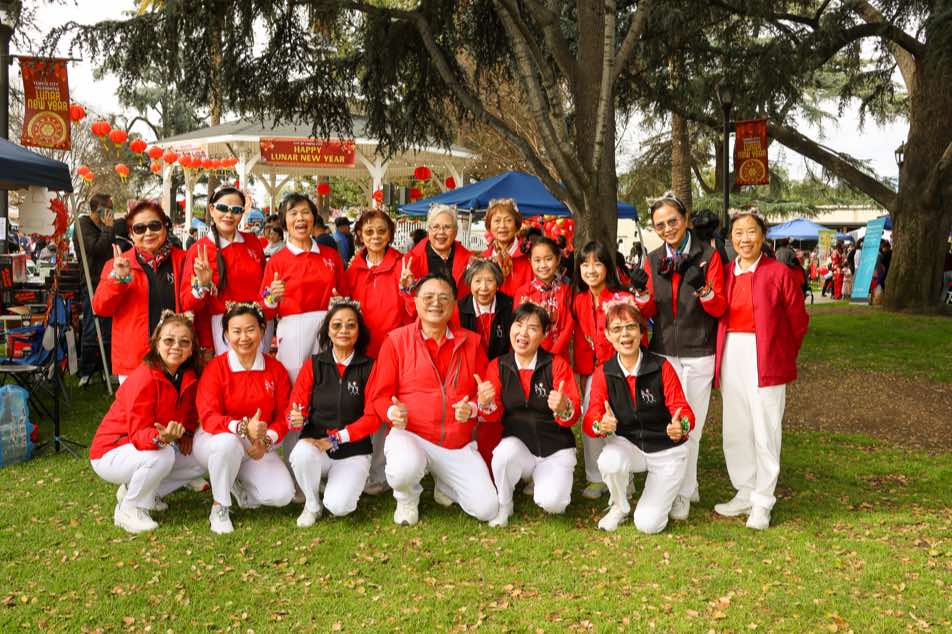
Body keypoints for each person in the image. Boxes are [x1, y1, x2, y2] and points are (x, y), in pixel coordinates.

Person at [366, 273, 496, 526]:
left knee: (488, 509)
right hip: (412, 434)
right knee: (403, 470)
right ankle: (407, 498)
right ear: (415, 301)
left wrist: (473, 407)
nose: (436, 303)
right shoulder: (396, 341)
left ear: (454, 304)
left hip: (456, 442)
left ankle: (444, 484)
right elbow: (379, 396)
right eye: (428, 297)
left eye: (443, 298)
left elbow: (483, 396)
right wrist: (393, 412)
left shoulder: (471, 342)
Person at [631, 191, 726, 520]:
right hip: (663, 352)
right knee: (668, 422)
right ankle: (685, 486)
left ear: (685, 219)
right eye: (660, 225)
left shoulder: (708, 255)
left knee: (689, 426)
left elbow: (719, 307)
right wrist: (639, 292)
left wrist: (703, 288)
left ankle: (683, 493)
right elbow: (647, 312)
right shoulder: (652, 258)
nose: (667, 228)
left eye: (673, 221)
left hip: (698, 351)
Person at [714, 210, 809, 530]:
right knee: (736, 427)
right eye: (738, 233)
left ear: (763, 236)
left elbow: (798, 320)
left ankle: (763, 501)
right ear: (731, 238)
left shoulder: (778, 272)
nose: (745, 239)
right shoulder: (725, 272)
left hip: (766, 356)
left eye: (751, 231)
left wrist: (782, 353)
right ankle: (744, 490)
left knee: (765, 430)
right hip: (732, 352)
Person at [583, 300, 695, 534]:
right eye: (616, 328)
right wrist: (601, 424)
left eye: (631, 327)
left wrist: (681, 426)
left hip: (665, 450)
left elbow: (683, 410)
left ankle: (669, 491)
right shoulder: (604, 372)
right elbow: (591, 416)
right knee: (609, 460)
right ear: (607, 335)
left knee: (647, 524)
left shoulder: (661, 366)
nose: (625, 334)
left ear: (642, 332)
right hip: (630, 444)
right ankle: (619, 506)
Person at [89, 311, 205, 534]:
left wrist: (188, 434)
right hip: (111, 450)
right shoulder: (144, 377)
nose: (176, 347)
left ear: (192, 349)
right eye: (169, 340)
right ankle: (129, 510)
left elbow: (189, 413)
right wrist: (161, 438)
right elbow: (138, 433)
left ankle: (144, 492)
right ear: (157, 343)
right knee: (163, 455)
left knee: (201, 456)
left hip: (146, 445)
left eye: (184, 342)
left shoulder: (188, 375)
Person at [260, 193, 349, 466]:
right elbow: (265, 308)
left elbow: (346, 295)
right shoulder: (277, 260)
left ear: (314, 218)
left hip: (328, 328)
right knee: (295, 394)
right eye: (293, 213)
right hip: (293, 330)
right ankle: (294, 462)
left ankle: (325, 457)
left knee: (327, 389)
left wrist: (339, 303)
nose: (300, 218)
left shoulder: (331, 256)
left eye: (305, 212)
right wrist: (272, 296)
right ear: (284, 221)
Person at [193, 303, 295, 534]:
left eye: (250, 330)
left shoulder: (275, 369)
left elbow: (284, 415)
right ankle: (220, 506)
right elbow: (208, 416)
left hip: (255, 447)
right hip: (216, 441)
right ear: (226, 335)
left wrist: (266, 441)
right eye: (236, 331)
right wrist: (242, 427)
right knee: (227, 444)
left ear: (262, 330)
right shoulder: (216, 368)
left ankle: (235, 482)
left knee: (282, 495)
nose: (244, 338)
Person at [475, 303, 580, 527]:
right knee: (502, 455)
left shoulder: (556, 365)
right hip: (519, 446)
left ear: (544, 335)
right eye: (518, 325)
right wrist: (485, 403)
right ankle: (505, 504)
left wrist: (564, 407)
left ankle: (542, 479)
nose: (523, 333)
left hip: (554, 448)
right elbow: (493, 415)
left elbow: (573, 415)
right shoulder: (498, 366)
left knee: (554, 504)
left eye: (532, 328)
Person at [287, 301, 381, 526]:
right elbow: (293, 409)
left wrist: (336, 439)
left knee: (339, 507)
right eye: (337, 325)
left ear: (359, 331)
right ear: (328, 331)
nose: (343, 331)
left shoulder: (370, 367)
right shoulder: (313, 364)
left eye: (351, 325)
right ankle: (312, 504)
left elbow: (372, 419)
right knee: (301, 455)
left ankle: (335, 487)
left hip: (353, 450)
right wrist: (295, 418)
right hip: (316, 445)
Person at [343, 209, 411, 495]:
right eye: (369, 231)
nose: (375, 237)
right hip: (359, 349)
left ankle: (380, 472)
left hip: (391, 348)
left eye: (381, 231)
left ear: (390, 234)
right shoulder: (353, 268)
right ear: (360, 234)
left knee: (385, 409)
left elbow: (412, 311)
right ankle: (354, 467)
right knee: (359, 408)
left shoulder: (402, 265)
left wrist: (408, 289)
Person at [93, 201, 187, 383]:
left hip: (177, 356)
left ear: (165, 227)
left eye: (154, 226)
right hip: (134, 361)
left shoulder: (182, 260)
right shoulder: (117, 264)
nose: (148, 233)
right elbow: (101, 308)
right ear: (131, 234)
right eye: (140, 228)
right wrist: (118, 279)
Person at [572, 240, 635, 499]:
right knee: (591, 419)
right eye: (585, 264)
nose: (591, 270)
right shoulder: (579, 301)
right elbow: (581, 340)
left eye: (597, 263)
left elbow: (634, 336)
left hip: (620, 369)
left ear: (608, 267)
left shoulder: (622, 299)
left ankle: (625, 477)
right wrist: (582, 373)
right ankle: (595, 477)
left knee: (621, 423)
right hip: (593, 371)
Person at [181, 187, 267, 356]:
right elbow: (187, 303)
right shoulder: (199, 250)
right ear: (211, 209)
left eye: (236, 210)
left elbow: (265, 285)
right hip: (221, 331)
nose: (229, 215)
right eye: (222, 208)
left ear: (242, 213)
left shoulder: (253, 242)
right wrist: (202, 285)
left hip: (256, 325)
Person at [457, 258, 514, 469]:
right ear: (469, 283)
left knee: (494, 417)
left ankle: (496, 463)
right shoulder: (459, 308)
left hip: (500, 371)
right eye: (478, 281)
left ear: (497, 283)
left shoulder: (509, 305)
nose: (483, 287)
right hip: (469, 371)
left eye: (489, 280)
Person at [74, 193, 115, 387]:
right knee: (92, 326)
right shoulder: (83, 225)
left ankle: (106, 368)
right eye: (108, 210)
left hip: (106, 280)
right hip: (91, 282)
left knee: (107, 327)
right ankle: (86, 370)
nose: (110, 214)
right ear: (98, 209)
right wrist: (108, 229)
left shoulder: (105, 227)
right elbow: (96, 249)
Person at [513, 237, 574, 360]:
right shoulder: (523, 292)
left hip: (558, 357)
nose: (543, 265)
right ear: (530, 261)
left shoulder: (566, 291)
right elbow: (518, 326)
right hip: (529, 356)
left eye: (548, 259)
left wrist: (552, 356)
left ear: (558, 259)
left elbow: (568, 326)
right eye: (537, 260)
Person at [401, 204, 474, 302]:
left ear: (455, 231)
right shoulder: (410, 262)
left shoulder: (470, 261)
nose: (441, 232)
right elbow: (407, 304)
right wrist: (409, 289)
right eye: (436, 227)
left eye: (447, 227)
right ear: (429, 230)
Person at [480, 199, 533, 297]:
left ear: (516, 225)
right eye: (497, 221)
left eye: (508, 220)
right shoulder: (483, 258)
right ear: (489, 226)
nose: (502, 226)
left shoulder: (530, 256)